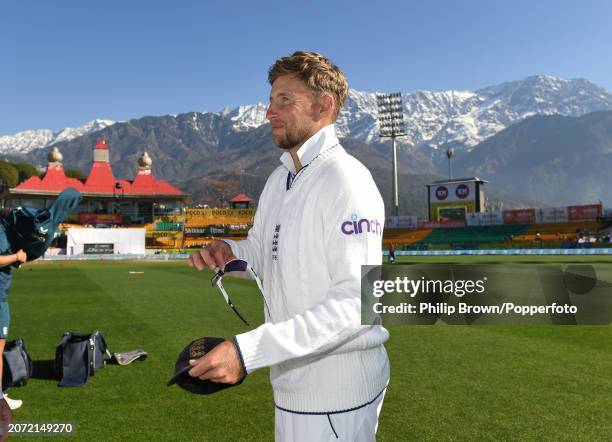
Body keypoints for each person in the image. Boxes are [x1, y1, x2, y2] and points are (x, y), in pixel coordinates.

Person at [188, 51, 389, 441]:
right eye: (270, 100)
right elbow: (264, 250)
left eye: (284, 100)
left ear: (323, 106)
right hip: (293, 386)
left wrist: (248, 351)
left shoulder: (347, 180)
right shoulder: (280, 179)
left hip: (338, 394)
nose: (269, 112)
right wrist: (230, 251)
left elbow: (356, 305)